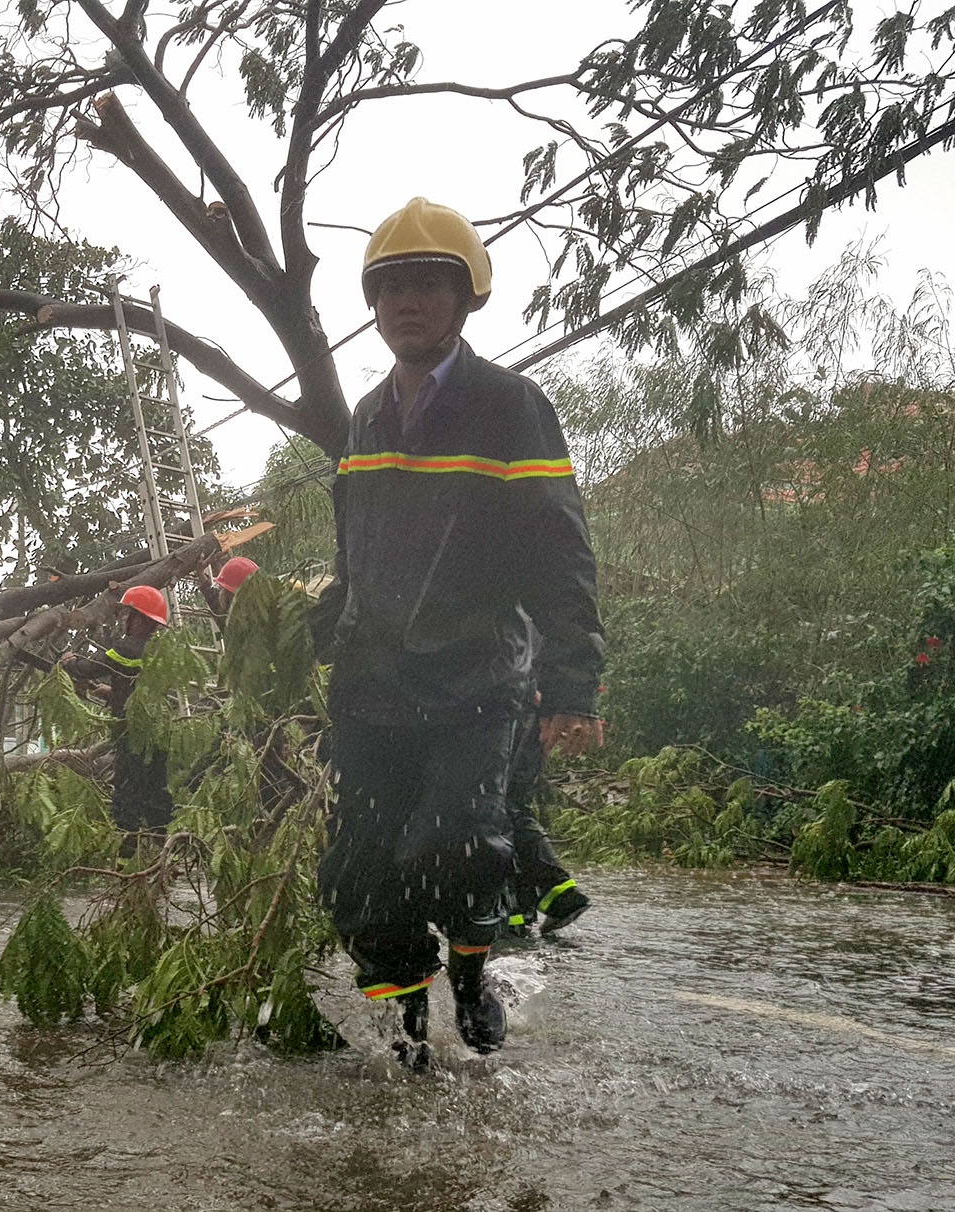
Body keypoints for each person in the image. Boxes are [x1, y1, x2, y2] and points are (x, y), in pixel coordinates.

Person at [313, 197, 605, 1063]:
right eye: (392, 287)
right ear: (373, 303)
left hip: (476, 682)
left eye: (429, 285)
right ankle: (405, 1019)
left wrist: (575, 684)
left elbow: (561, 552)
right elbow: (357, 563)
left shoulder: (511, 406)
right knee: (360, 874)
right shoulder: (367, 416)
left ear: (466, 297)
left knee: (459, 845)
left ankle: (472, 976)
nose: (408, 302)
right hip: (372, 690)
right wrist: (305, 633)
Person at [61, 585, 175, 836]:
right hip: (158, 730)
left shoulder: (125, 648)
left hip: (131, 731)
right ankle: (163, 841)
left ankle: (127, 842)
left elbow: (91, 668)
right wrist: (112, 692)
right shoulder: (162, 650)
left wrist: (70, 663)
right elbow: (143, 688)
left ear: (139, 619)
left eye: (127, 615)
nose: (124, 620)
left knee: (128, 787)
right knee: (156, 786)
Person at [504, 690, 592, 937]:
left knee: (497, 807)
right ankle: (519, 911)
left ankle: (552, 894)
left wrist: (569, 706)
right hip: (518, 710)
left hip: (510, 711)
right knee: (507, 806)